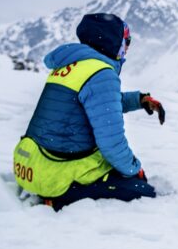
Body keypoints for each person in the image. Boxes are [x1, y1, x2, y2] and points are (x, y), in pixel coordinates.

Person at [12, 13, 166, 210]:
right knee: (142, 190)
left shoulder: (72, 65)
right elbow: (111, 143)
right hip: (55, 173)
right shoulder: (101, 73)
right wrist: (135, 170)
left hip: (30, 162)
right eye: (126, 41)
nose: (127, 48)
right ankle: (59, 198)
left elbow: (98, 103)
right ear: (112, 41)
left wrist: (139, 100)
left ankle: (54, 189)